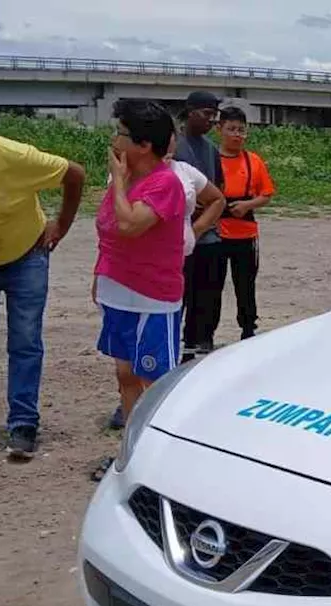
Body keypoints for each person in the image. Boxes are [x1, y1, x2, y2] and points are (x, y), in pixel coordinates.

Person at [0, 96, 86, 458]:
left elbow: (74, 173)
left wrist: (62, 225)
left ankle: (23, 423)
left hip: (26, 255)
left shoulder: (11, 155)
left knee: (24, 341)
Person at [92, 100, 187, 478]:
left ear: (144, 145)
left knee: (155, 382)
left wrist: (117, 181)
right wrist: (99, 278)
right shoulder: (127, 177)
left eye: (122, 133)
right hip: (117, 292)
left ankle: (163, 459)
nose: (115, 140)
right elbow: (109, 235)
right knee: (125, 374)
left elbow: (131, 225)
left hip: (151, 298)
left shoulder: (165, 182)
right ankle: (132, 452)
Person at [106, 131, 227, 429]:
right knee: (129, 359)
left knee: (162, 347)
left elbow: (216, 199)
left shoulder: (182, 174)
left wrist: (196, 231)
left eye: (171, 138)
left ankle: (166, 418)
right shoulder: (126, 177)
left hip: (173, 267)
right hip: (137, 274)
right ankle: (134, 414)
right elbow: (114, 228)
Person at [172, 90, 225, 363]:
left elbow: (219, 192)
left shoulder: (211, 150)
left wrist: (205, 221)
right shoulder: (175, 146)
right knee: (177, 300)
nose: (211, 121)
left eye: (214, 115)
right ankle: (172, 353)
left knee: (205, 305)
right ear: (190, 111)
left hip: (209, 239)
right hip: (180, 241)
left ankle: (197, 356)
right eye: (207, 114)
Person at [215, 106, 275, 342]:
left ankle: (248, 330)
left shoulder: (253, 161)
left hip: (246, 235)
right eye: (231, 129)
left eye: (241, 130)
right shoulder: (211, 158)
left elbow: (267, 194)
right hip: (216, 234)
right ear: (220, 129)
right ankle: (203, 334)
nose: (237, 135)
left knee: (246, 287)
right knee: (211, 287)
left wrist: (247, 206)